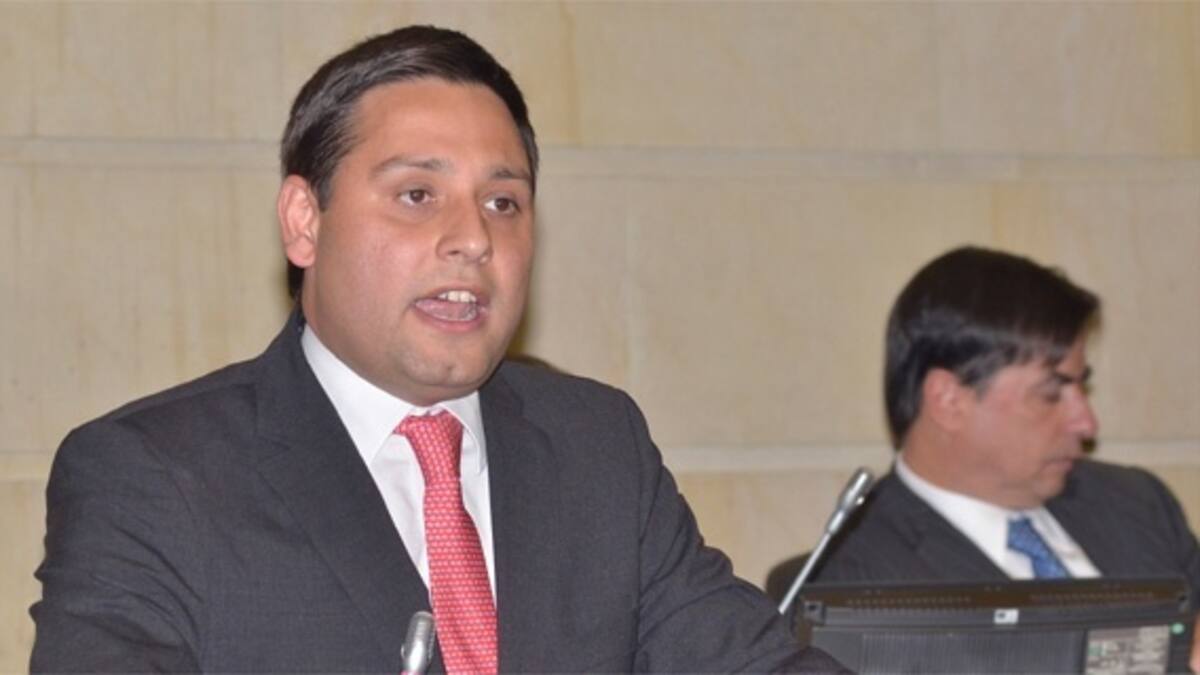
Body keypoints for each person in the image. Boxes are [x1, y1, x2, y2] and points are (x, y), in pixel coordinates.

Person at [30, 25, 843, 672]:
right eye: (418, 194)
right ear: (304, 222)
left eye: (503, 202)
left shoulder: (598, 449)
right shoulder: (154, 475)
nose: (474, 239)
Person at [765, 246, 1200, 670]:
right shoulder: (840, 586)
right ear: (948, 400)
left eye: (1081, 387)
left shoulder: (1137, 504)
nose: (1086, 423)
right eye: (1052, 393)